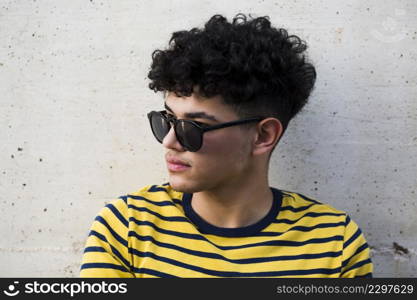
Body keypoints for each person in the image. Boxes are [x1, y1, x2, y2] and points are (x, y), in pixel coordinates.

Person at [80, 14, 373, 278]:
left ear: (263, 136)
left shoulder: (334, 243)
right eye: (167, 119)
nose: (169, 141)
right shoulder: (126, 228)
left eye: (194, 127)